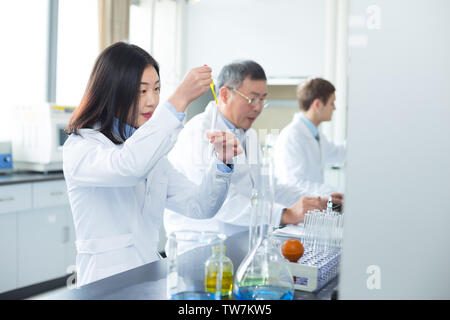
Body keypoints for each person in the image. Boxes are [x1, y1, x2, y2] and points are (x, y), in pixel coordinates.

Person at [63, 42, 241, 287]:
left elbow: (200, 205)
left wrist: (221, 164)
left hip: (149, 275)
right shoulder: (82, 147)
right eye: (141, 91)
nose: (153, 101)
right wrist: (178, 99)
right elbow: (128, 168)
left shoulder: (150, 153)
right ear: (113, 91)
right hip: (104, 283)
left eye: (157, 89)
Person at [164, 60, 342, 247]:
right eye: (252, 99)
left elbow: (266, 186)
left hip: (239, 244)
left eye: (262, 100)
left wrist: (315, 201)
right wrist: (285, 215)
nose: (258, 108)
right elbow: (220, 203)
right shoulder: (200, 133)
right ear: (224, 95)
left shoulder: (248, 135)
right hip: (200, 247)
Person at [273, 78, 346, 195]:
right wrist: (332, 193)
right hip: (296, 207)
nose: (334, 108)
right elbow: (293, 183)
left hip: (312, 206)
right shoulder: (292, 136)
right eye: (331, 103)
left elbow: (338, 153)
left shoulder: (316, 135)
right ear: (317, 104)